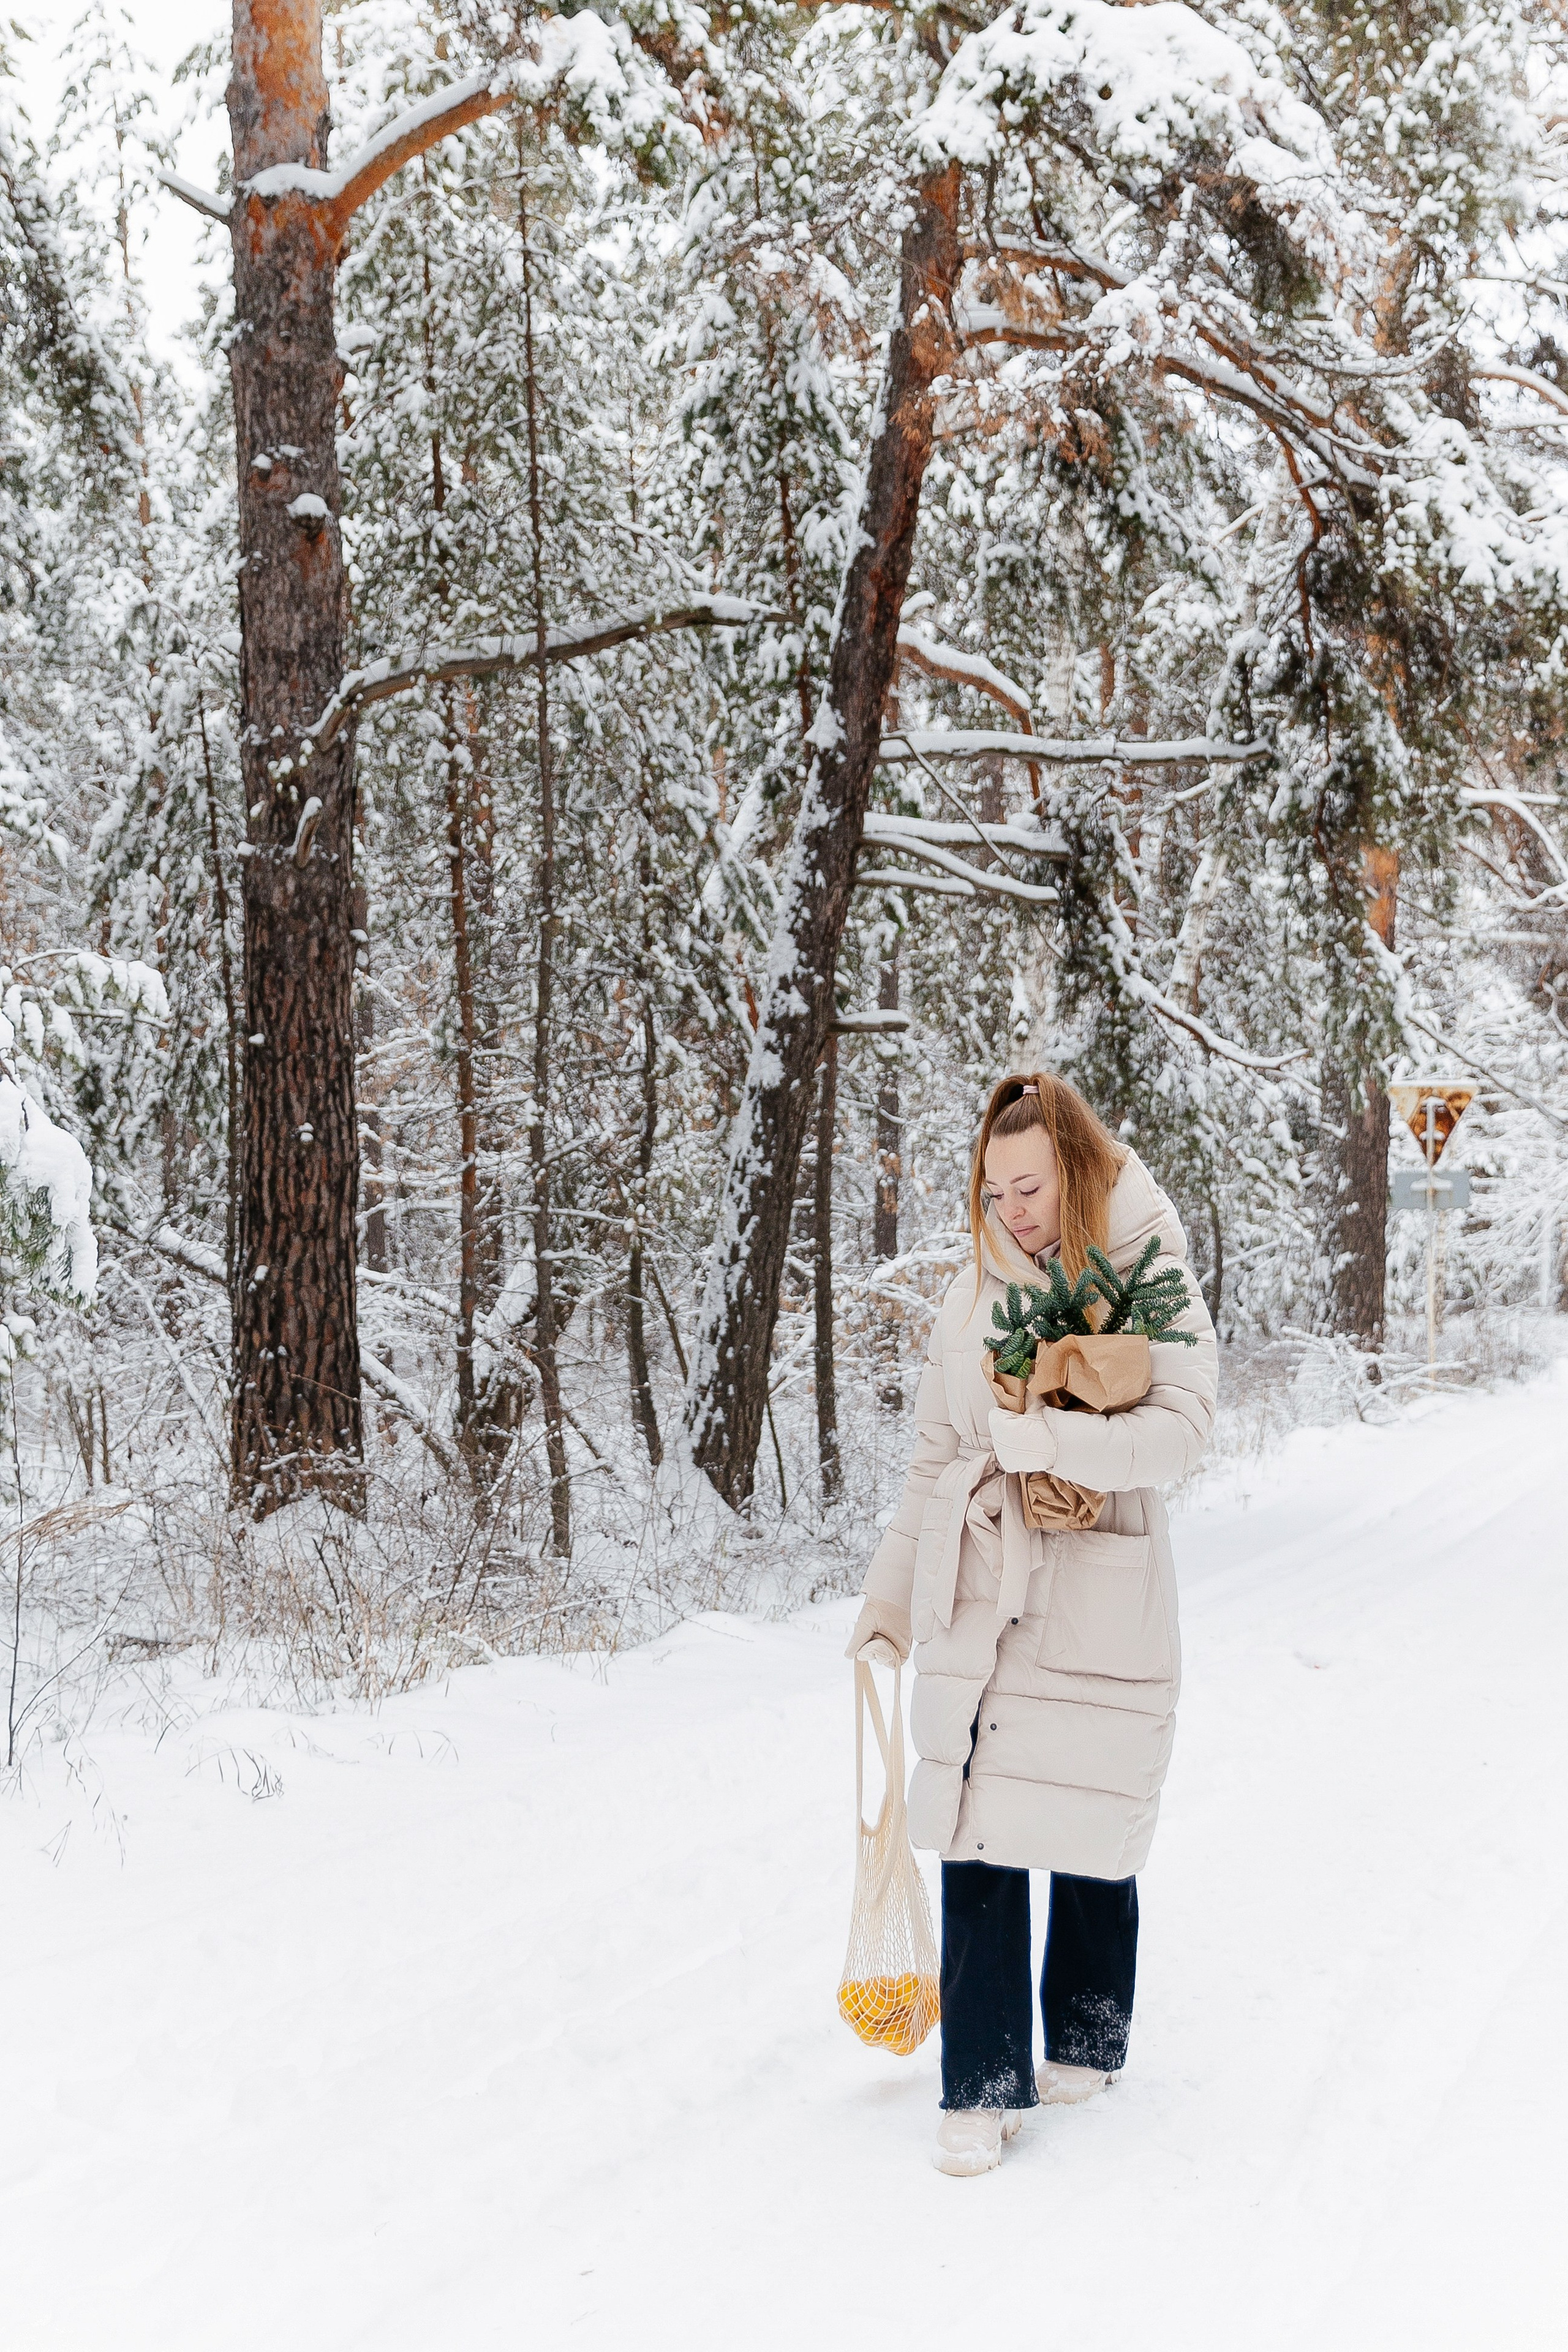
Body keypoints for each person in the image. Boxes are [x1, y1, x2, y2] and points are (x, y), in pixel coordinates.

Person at [846, 1071, 1217, 2175]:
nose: (1011, 1210)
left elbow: (1188, 1426)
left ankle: (1091, 2033)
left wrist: (1057, 1446)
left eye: (1031, 1186)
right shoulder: (969, 1295)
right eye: (994, 1190)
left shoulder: (1142, 1254)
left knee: (1091, 1803)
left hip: (1103, 1580)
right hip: (980, 1585)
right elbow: (930, 1463)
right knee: (973, 1813)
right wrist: (887, 1606)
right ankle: (981, 2080)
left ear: (1076, 1171)